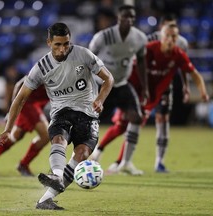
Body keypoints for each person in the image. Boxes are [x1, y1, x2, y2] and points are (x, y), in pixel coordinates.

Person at [0, 22, 113, 210]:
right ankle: (56, 175)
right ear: (49, 42)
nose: (62, 49)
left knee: (81, 155)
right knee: (59, 139)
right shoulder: (41, 67)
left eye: (66, 44)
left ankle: (45, 200)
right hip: (61, 112)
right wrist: (7, 129)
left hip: (88, 114)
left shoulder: (83, 55)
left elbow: (109, 78)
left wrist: (100, 99)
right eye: (58, 44)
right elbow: (19, 99)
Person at [91, 13, 190, 173]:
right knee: (122, 125)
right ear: (161, 27)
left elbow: (182, 66)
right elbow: (136, 61)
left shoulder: (182, 43)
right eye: (168, 28)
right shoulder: (149, 40)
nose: (172, 34)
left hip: (161, 89)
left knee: (143, 121)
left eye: (174, 29)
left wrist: (185, 86)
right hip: (139, 87)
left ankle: (133, 162)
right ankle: (101, 152)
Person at [105, 23, 209, 174]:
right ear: (162, 36)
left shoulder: (178, 54)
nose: (170, 39)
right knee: (124, 123)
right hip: (135, 90)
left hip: (152, 96)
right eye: (167, 35)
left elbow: (194, 74)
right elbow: (131, 66)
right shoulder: (149, 49)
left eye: (174, 36)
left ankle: (123, 162)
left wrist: (203, 92)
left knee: (135, 122)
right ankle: (106, 156)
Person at [89, 5, 149, 175]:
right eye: (125, 17)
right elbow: (87, 59)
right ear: (118, 18)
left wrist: (145, 88)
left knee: (136, 118)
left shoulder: (139, 38)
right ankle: (79, 159)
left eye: (132, 18)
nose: (128, 21)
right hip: (101, 85)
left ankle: (126, 163)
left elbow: (142, 61)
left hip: (121, 84)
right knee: (85, 120)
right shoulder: (103, 36)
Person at [0, 76, 50, 177]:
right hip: (28, 104)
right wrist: (13, 107)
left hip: (36, 105)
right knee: (45, 135)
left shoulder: (66, 73)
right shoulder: (46, 70)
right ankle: (23, 164)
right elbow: (19, 85)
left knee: (17, 136)